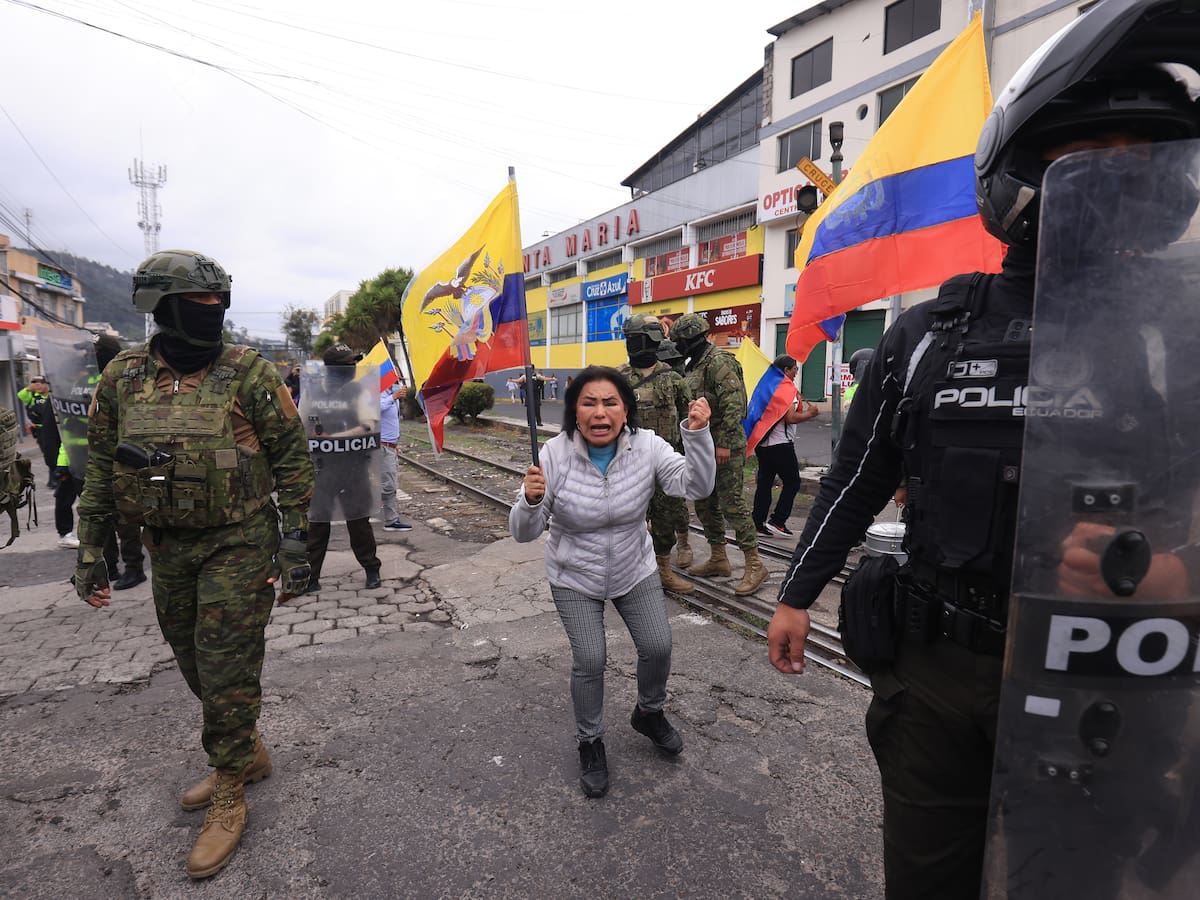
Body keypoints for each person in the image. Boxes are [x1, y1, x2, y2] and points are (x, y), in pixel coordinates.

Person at [766, 7, 1200, 896]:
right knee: (929, 878)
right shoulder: (929, 335)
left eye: (1143, 162)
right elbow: (856, 476)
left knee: (1078, 877)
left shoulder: (1176, 338)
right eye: (1094, 161)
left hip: (1104, 670)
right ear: (1024, 176)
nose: (1123, 182)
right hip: (938, 675)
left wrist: (1174, 571)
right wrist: (795, 596)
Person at [75, 249, 314, 880]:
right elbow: (100, 470)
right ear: (161, 309)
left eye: (219, 304)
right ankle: (248, 751)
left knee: (226, 664)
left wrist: (294, 545)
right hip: (166, 544)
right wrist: (92, 552)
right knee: (190, 657)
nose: (212, 315)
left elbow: (293, 461)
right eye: (198, 305)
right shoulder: (123, 378)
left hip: (238, 541)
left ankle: (231, 790)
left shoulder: (250, 374)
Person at [510, 366, 715, 798]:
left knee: (658, 646)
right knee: (591, 659)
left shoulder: (647, 446)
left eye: (610, 403)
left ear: (625, 411)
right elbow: (524, 532)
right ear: (574, 411)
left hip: (632, 568)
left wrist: (697, 435)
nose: (599, 413)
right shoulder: (553, 454)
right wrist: (529, 503)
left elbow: (695, 485)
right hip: (574, 575)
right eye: (588, 403)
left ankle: (649, 712)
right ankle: (590, 741)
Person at [671, 312, 767, 595]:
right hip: (703, 445)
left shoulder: (719, 362)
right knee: (704, 502)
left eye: (679, 341)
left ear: (690, 340)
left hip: (724, 446)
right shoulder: (694, 366)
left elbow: (734, 406)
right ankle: (718, 557)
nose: (678, 346)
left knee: (731, 503)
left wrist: (723, 443)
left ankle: (754, 563)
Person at [619, 314, 695, 594]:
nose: (630, 344)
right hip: (628, 464)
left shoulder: (674, 380)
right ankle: (629, 573)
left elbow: (689, 421)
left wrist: (690, 458)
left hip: (665, 465)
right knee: (627, 519)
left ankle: (663, 570)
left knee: (665, 521)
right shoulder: (619, 378)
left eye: (634, 339)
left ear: (649, 340)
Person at [304, 343, 384, 591]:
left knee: (358, 521)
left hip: (353, 466)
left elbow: (368, 424)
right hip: (322, 467)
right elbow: (300, 423)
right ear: (334, 368)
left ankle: (371, 569)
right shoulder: (312, 392)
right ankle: (311, 576)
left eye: (355, 364)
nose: (354, 368)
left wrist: (336, 438)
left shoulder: (358, 391)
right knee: (317, 523)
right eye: (349, 364)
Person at [752, 355, 818, 538]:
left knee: (765, 483)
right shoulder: (785, 390)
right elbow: (790, 418)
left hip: (762, 443)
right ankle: (778, 521)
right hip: (780, 445)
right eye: (795, 369)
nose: (797, 372)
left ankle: (757, 523)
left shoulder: (768, 386)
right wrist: (810, 413)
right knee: (793, 482)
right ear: (787, 370)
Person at [379, 378, 412, 533]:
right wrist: (393, 397)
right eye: (394, 377)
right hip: (381, 446)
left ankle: (391, 519)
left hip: (390, 446)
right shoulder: (379, 394)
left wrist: (395, 443)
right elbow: (373, 409)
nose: (397, 381)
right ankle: (390, 520)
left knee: (388, 484)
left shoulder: (391, 394)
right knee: (388, 485)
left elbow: (390, 421)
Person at [18, 377, 59, 487]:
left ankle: (57, 476)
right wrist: (29, 388)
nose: (38, 386)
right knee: (49, 453)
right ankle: (53, 478)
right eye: (35, 384)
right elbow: (21, 395)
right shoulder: (32, 396)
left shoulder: (52, 395)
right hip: (40, 429)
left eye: (41, 383)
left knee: (58, 453)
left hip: (56, 428)